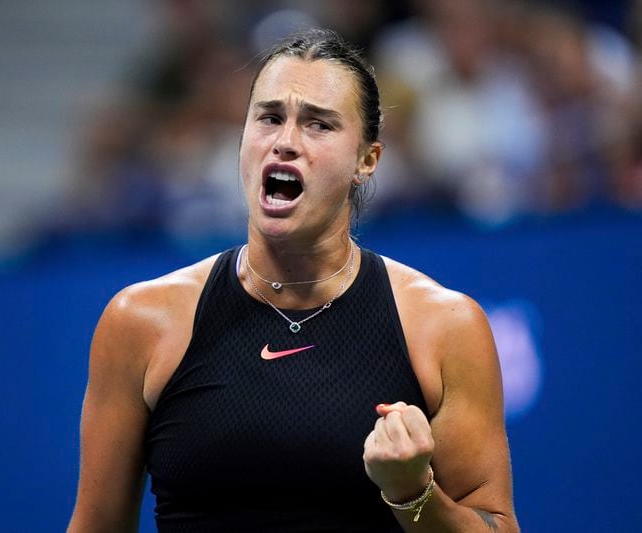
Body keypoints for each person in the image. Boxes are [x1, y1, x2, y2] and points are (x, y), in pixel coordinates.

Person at [67, 28, 519, 532]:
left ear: (366, 161)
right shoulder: (141, 322)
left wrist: (412, 492)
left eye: (318, 125)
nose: (285, 142)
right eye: (269, 117)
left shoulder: (444, 326)